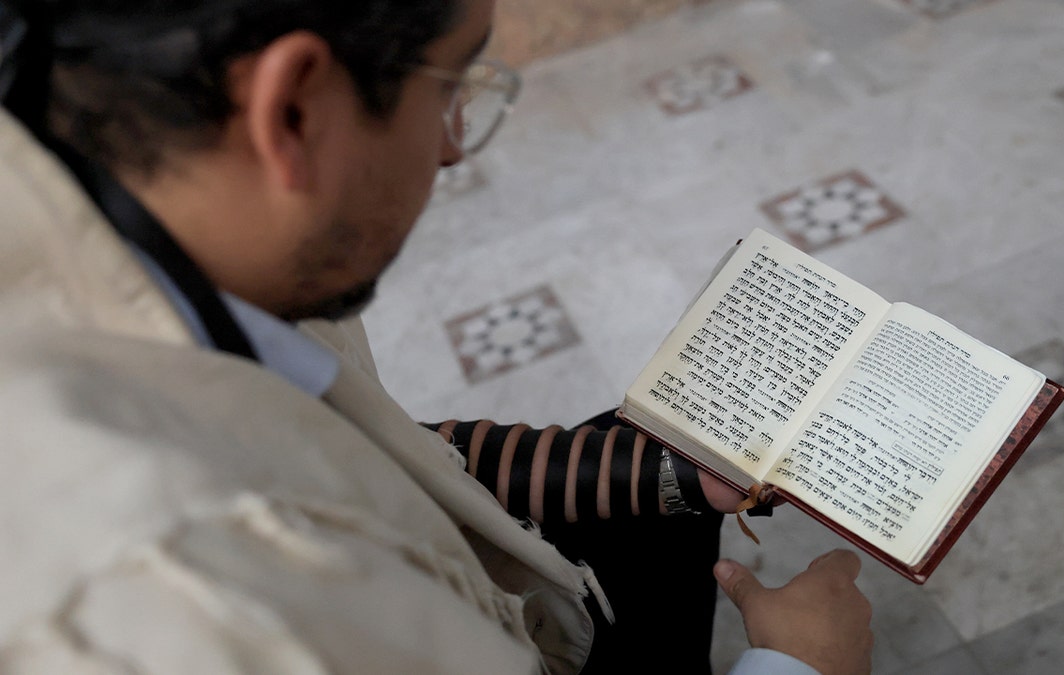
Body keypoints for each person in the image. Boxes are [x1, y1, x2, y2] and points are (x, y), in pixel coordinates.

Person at [0, 0, 873, 672]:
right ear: (294, 111)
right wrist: (797, 663)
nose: (455, 151)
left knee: (659, 469)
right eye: (453, 83)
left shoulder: (193, 248)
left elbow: (382, 455)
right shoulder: (202, 602)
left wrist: (672, 472)